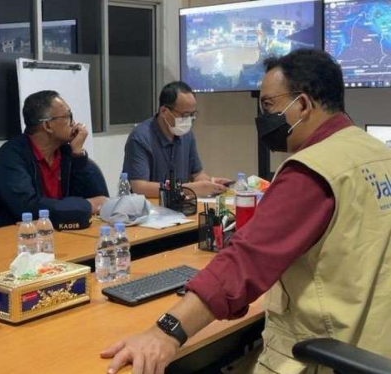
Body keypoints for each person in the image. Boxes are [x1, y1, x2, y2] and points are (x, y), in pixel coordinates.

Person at [102, 49, 391, 373]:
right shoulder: (377, 153)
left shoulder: (312, 171)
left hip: (324, 353)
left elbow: (245, 260)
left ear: (304, 105)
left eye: (269, 105)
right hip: (374, 344)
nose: (264, 117)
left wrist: (165, 332)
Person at [0, 90, 109, 230]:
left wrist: (78, 154)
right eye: (68, 116)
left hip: (56, 232)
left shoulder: (66, 152)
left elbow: (99, 199)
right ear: (47, 125)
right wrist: (88, 206)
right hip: (12, 237)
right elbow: (27, 207)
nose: (74, 123)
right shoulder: (10, 156)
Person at [122, 81, 231, 198]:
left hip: (179, 206)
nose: (188, 120)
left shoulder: (187, 135)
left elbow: (197, 174)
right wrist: (187, 189)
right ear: (164, 111)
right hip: (149, 209)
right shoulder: (140, 137)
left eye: (192, 115)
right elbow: (139, 187)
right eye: (184, 115)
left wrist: (211, 183)